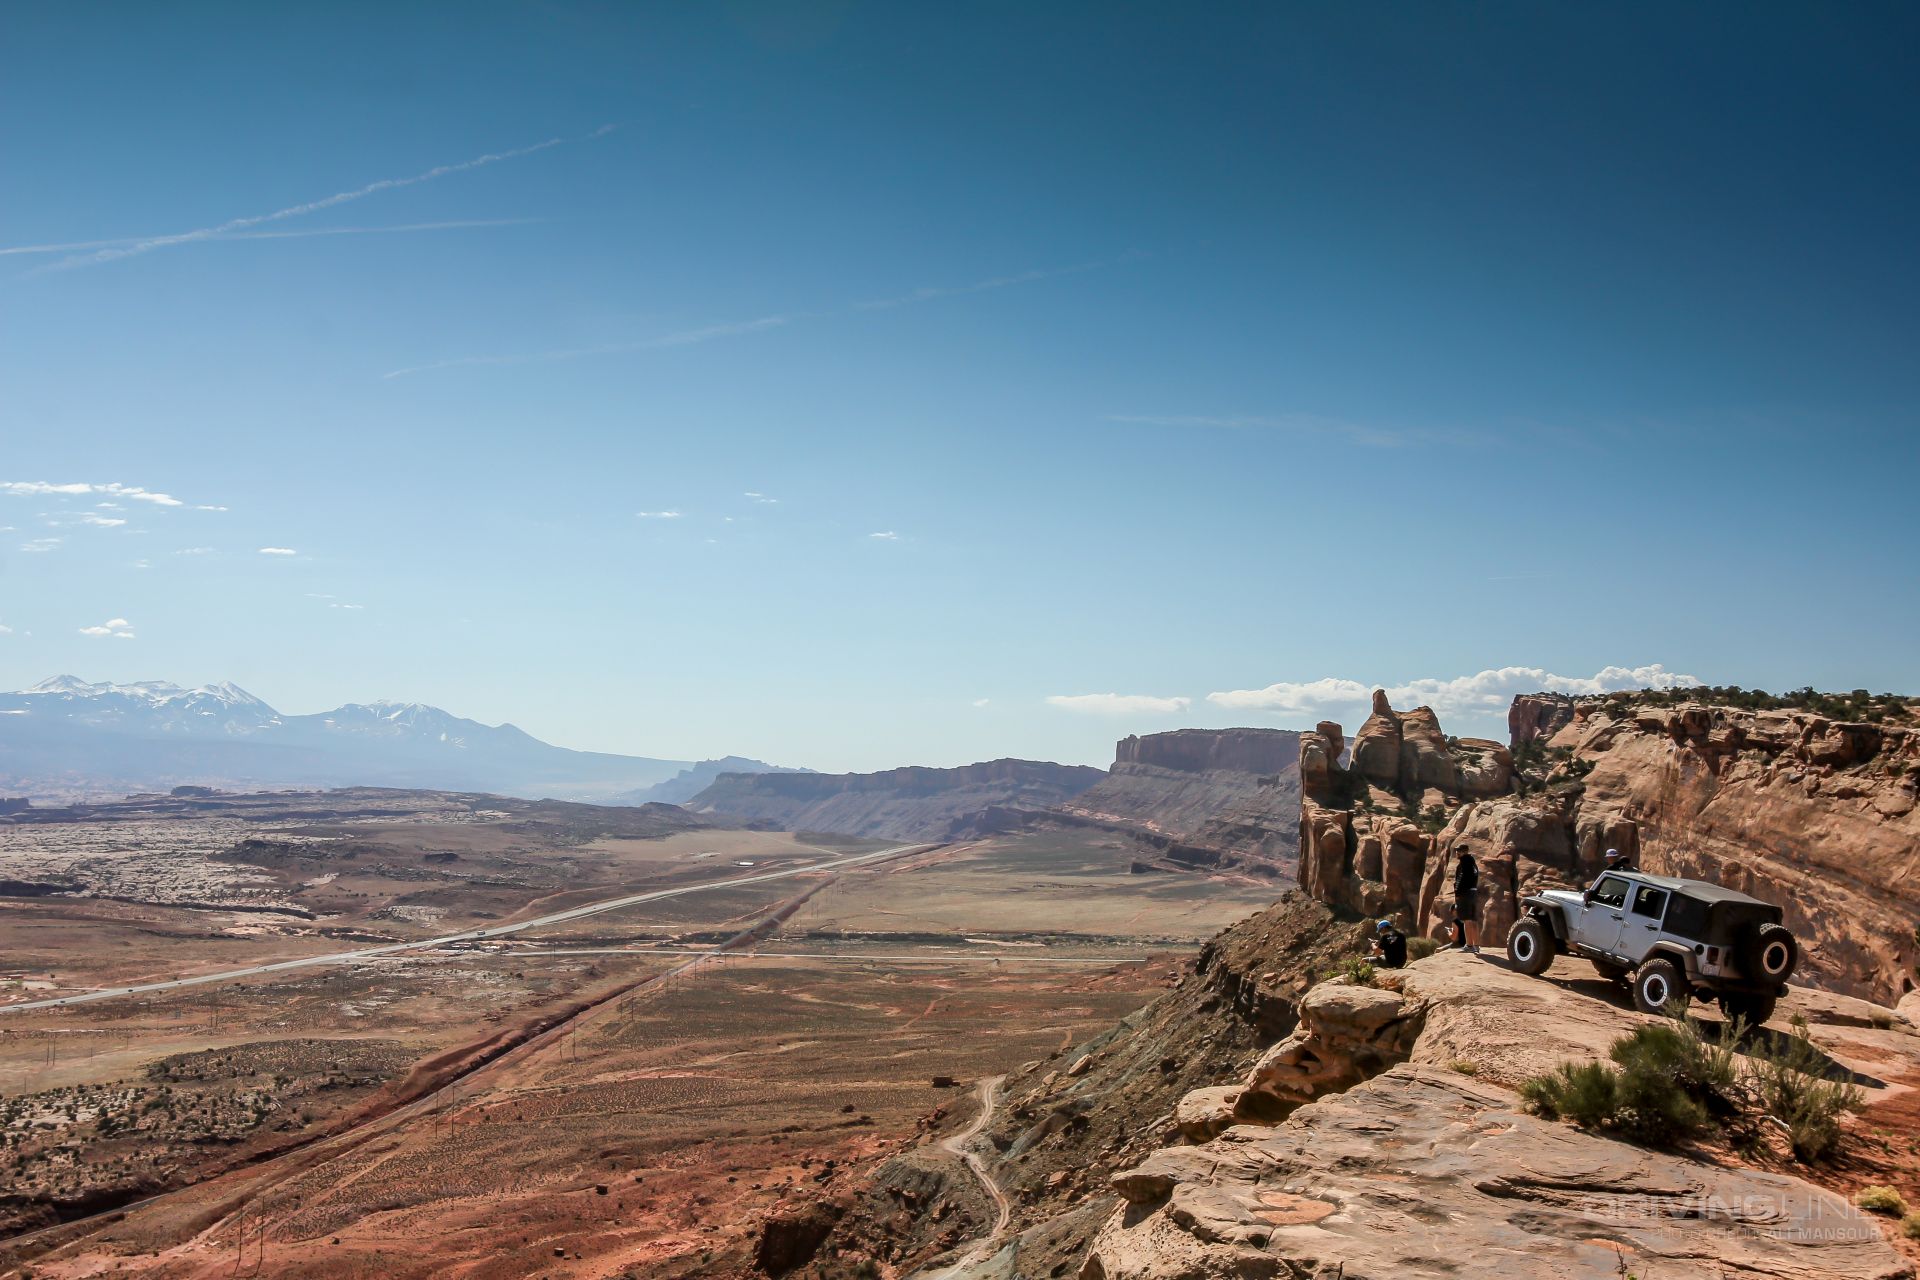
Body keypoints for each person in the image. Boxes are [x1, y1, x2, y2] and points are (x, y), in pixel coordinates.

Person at [1452, 846, 1480, 950]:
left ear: (1461, 852)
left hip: (1465, 894)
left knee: (1467, 920)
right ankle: (1476, 945)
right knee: (1473, 920)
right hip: (1473, 892)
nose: (1456, 853)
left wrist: (1457, 893)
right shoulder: (1473, 863)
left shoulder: (1464, 863)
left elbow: (1460, 879)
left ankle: (1469, 945)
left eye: (1457, 851)